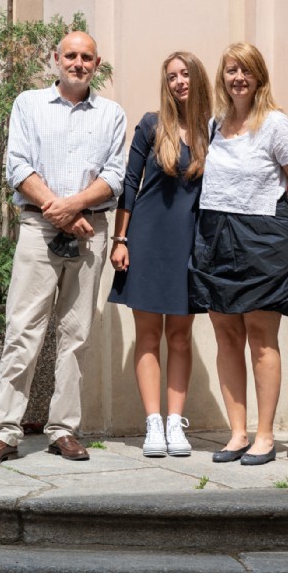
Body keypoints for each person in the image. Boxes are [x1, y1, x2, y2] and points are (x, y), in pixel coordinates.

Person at [0, 31, 126, 467]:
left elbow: (115, 176)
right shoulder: (29, 104)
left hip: (90, 231)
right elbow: (18, 166)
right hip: (39, 228)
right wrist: (61, 212)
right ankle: (5, 431)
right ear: (56, 59)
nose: (78, 63)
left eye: (87, 57)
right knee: (22, 330)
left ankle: (63, 430)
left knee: (76, 336)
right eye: (71, 55)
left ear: (97, 64)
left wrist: (72, 208)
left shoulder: (111, 114)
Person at [189, 43, 288, 466]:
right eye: (231, 70)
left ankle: (265, 436)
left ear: (259, 77)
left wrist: (282, 227)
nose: (238, 77)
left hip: (263, 239)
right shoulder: (213, 125)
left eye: (246, 70)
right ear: (222, 77)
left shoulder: (275, 123)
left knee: (261, 338)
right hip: (215, 238)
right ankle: (237, 433)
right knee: (226, 336)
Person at [109, 51, 212, 457]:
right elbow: (129, 184)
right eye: (172, 76)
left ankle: (175, 423)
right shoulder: (151, 125)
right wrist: (120, 240)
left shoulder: (212, 130)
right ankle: (152, 423)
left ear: (197, 78)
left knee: (181, 337)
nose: (179, 82)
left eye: (185, 74)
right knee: (149, 335)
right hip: (147, 239)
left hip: (189, 244)